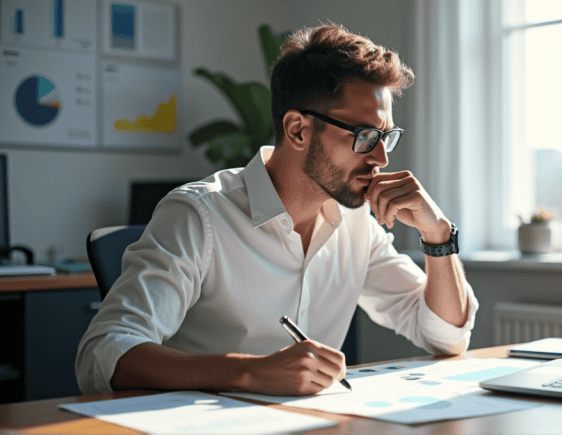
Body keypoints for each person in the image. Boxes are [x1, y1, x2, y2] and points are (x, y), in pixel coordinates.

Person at [76, 23, 478, 396]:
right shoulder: (199, 215)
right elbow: (103, 354)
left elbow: (445, 336)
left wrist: (438, 235)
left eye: (385, 137)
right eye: (364, 135)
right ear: (298, 130)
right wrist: (249, 372)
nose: (380, 158)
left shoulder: (356, 225)